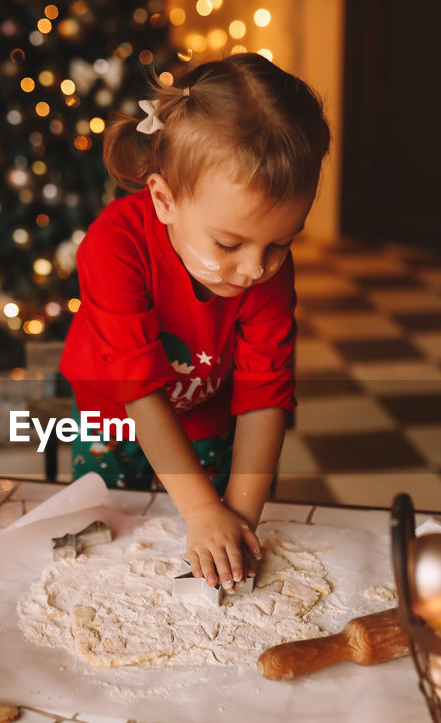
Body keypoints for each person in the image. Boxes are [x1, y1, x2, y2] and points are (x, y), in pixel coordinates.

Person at [60, 52, 330, 591]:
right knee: (114, 551)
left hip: (209, 419)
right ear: (163, 200)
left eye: (282, 242)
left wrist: (235, 524)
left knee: (210, 533)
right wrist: (202, 510)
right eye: (229, 244)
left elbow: (264, 394)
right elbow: (139, 391)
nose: (256, 268)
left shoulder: (261, 269)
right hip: (112, 421)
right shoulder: (114, 248)